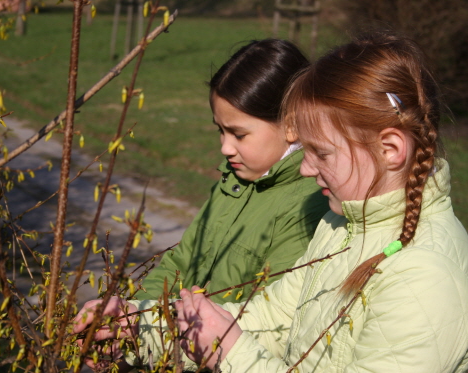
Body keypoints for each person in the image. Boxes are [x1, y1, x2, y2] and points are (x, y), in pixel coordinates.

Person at [74, 32, 468, 372]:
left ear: (391, 149)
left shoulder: (425, 280)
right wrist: (136, 327)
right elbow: (269, 320)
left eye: (321, 153)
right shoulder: (341, 226)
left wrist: (230, 352)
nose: (306, 171)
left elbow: (242, 345)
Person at [136, 39, 329, 304]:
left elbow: (269, 315)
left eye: (238, 134)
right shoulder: (234, 179)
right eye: (221, 130)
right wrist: (132, 314)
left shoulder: (310, 204)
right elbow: (182, 260)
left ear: (292, 125)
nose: (225, 148)